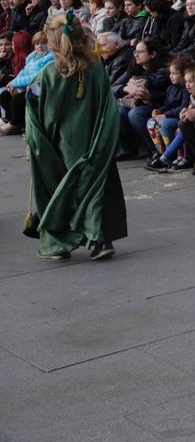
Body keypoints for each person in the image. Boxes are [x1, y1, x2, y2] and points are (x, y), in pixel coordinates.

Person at [24, 14, 127, 261]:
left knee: (59, 189)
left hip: (60, 145)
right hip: (95, 140)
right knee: (96, 188)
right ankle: (101, 240)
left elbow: (37, 113)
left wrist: (35, 144)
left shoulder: (47, 75)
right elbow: (108, 106)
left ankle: (58, 242)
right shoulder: (96, 68)